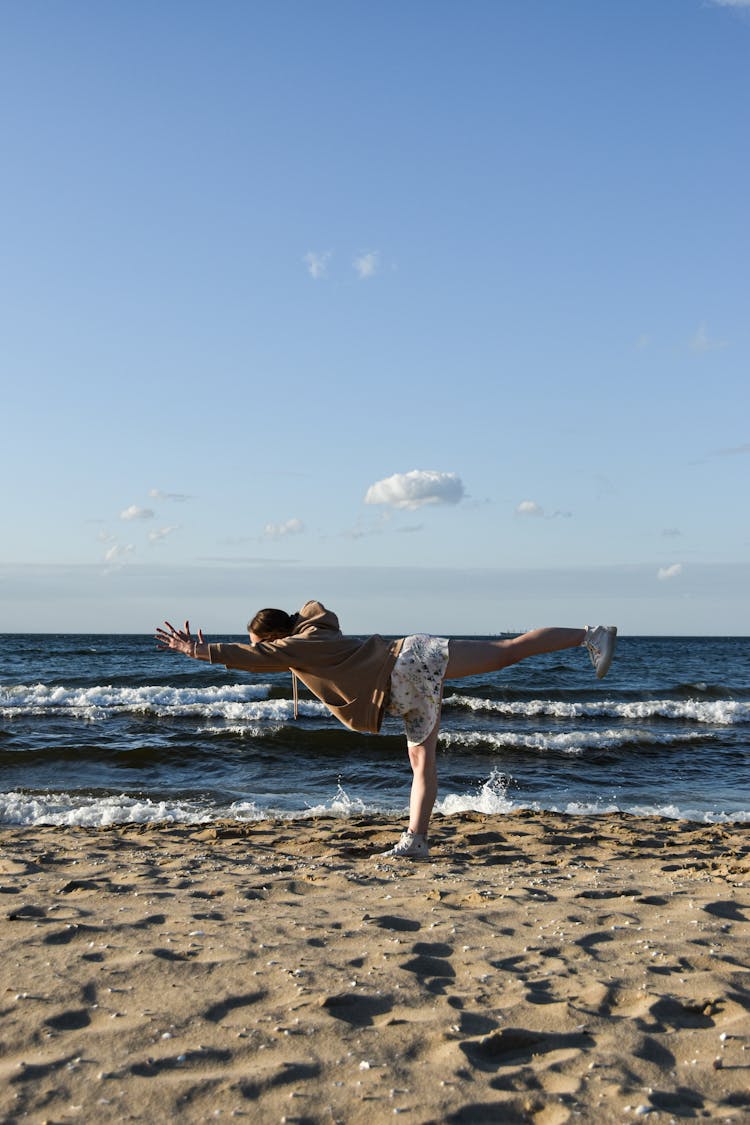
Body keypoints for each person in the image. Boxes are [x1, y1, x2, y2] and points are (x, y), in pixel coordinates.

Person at [156, 602, 616, 859]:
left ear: (276, 639)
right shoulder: (308, 642)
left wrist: (200, 651)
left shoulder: (300, 644)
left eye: (267, 647)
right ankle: (416, 840)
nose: (268, 657)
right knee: (422, 762)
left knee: (506, 650)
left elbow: (248, 657)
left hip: (408, 660)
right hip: (403, 691)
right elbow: (264, 650)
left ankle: (588, 635)